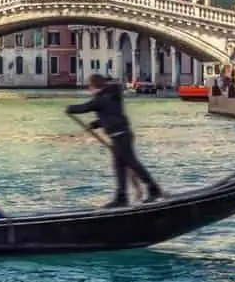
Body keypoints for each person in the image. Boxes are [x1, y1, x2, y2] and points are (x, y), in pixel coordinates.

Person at [66, 74, 164, 208]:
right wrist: (95, 124)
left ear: (93, 86)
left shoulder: (102, 99)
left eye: (90, 87)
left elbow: (86, 107)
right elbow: (110, 116)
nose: (90, 90)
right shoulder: (110, 97)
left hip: (121, 136)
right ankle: (122, 197)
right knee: (120, 167)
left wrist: (69, 109)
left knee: (132, 164)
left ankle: (153, 189)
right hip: (119, 136)